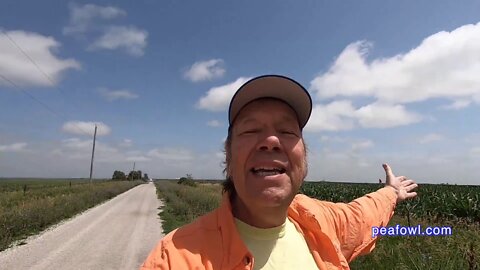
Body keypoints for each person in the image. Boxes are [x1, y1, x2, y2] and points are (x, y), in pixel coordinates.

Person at [141, 75, 418, 270]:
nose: (271, 141)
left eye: (287, 131)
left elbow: (362, 216)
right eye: (251, 130)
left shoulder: (319, 221)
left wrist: (391, 192)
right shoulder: (174, 258)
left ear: (304, 156)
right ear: (228, 154)